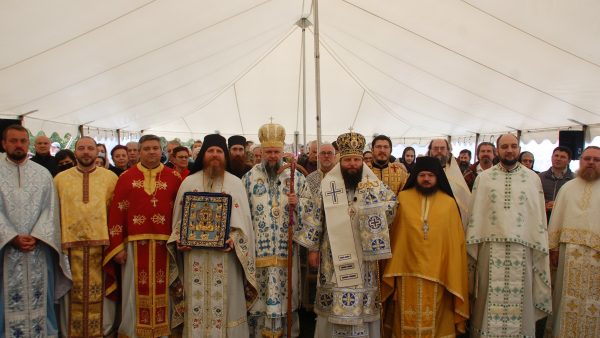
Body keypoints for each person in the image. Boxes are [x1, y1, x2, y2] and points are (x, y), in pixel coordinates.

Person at [295, 132, 397, 337]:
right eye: (348, 159)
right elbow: (315, 216)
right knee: (334, 298)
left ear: (362, 161)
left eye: (356, 160)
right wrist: (313, 249)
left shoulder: (373, 184)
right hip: (332, 254)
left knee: (362, 299)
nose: (352, 164)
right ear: (340, 160)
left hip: (363, 254)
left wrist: (370, 209)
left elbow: (392, 205)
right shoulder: (328, 185)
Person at [169, 134, 258, 336]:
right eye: (210, 151)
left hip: (227, 258)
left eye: (219, 151)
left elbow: (245, 225)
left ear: (224, 155)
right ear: (203, 155)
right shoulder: (188, 183)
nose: (215, 155)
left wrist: (234, 240)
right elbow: (178, 223)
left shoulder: (236, 184)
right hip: (194, 258)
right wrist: (179, 241)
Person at [466, 134, 551, 337]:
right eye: (505, 146)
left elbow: (537, 216)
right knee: (487, 296)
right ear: (498, 150)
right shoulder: (483, 178)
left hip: (523, 249)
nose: (509, 150)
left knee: (522, 300)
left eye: (513, 146)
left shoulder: (532, 179)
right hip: (489, 247)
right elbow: (476, 214)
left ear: (519, 148)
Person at [103, 134, 184, 337]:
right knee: (133, 291)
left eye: (155, 148)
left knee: (166, 289)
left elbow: (182, 212)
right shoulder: (126, 178)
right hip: (133, 246)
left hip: (166, 246)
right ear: (139, 152)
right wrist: (117, 246)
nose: (151, 152)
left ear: (162, 151)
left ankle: (163, 333)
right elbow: (116, 212)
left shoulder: (174, 177)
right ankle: (132, 332)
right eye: (147, 148)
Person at [382, 156, 468, 337]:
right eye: (422, 175)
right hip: (406, 269)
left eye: (431, 175)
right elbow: (395, 234)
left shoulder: (449, 203)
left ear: (438, 177)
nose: (426, 179)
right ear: (415, 176)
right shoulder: (403, 199)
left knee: (437, 317)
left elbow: (455, 241)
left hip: (440, 272)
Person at [0, 124, 71, 337]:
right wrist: (11, 237)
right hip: (5, 250)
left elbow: (51, 210)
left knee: (42, 297)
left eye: (23, 141)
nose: (19, 145)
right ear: (4, 144)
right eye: (13, 141)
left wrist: (38, 236)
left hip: (38, 249)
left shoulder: (42, 175)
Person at [242, 122, 305, 337]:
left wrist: (299, 205)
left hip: (286, 253)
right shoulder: (249, 179)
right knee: (258, 303)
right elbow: (242, 214)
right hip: (258, 253)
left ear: (282, 151)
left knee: (286, 300)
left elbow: (311, 212)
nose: (272, 156)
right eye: (268, 151)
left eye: (276, 151)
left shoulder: (295, 176)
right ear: (260, 152)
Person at [54, 136, 118, 337]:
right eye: (81, 148)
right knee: (71, 292)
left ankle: (103, 331)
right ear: (75, 152)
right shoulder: (60, 179)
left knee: (102, 295)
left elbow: (116, 214)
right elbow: (54, 213)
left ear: (97, 152)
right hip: (70, 248)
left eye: (90, 148)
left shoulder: (110, 178)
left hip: (102, 248)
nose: (86, 152)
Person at [544, 146, 600, 338]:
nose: (591, 162)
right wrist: (553, 248)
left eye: (596, 159)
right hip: (568, 255)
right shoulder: (567, 188)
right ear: (580, 161)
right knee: (565, 300)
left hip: (597, 257)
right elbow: (556, 219)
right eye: (587, 158)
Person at [428, 139, 471, 228]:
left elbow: (463, 201)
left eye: (442, 148)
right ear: (430, 151)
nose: (439, 151)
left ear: (448, 151)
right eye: (435, 148)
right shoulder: (423, 171)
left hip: (450, 220)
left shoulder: (455, 173)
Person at [538, 146, 574, 220]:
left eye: (563, 157)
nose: (558, 159)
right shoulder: (539, 177)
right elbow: (534, 198)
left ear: (569, 160)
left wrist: (559, 205)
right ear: (552, 157)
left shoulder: (574, 179)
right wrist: (544, 205)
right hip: (543, 219)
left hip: (565, 219)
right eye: (556, 156)